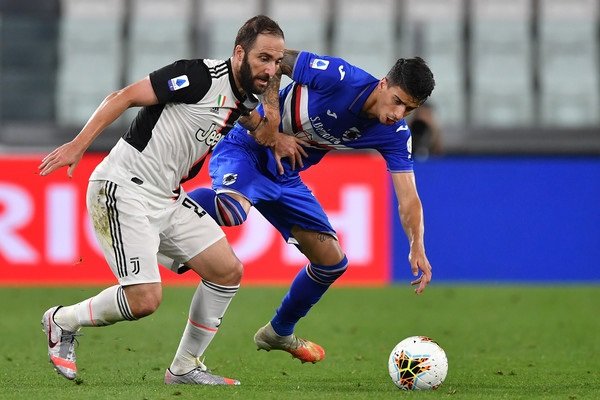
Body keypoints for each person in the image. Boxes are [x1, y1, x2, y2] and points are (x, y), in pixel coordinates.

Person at [38, 15, 289, 385]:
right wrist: (78, 146)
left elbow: (265, 130)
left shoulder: (242, 101)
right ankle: (61, 321)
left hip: (168, 198)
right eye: (263, 59)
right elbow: (122, 97)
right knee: (144, 301)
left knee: (227, 272)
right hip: (122, 187)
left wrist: (273, 101)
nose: (270, 68)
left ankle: (185, 367)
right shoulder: (199, 76)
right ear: (239, 53)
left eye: (277, 61)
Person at [187, 51, 435, 364]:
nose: (399, 113)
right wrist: (272, 127)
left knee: (332, 261)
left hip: (285, 175)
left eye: (409, 109)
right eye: (398, 101)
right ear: (384, 84)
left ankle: (279, 331)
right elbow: (270, 60)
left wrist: (417, 246)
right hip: (248, 147)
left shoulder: (395, 135)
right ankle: (164, 208)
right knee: (231, 212)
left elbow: (409, 197)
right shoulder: (338, 77)